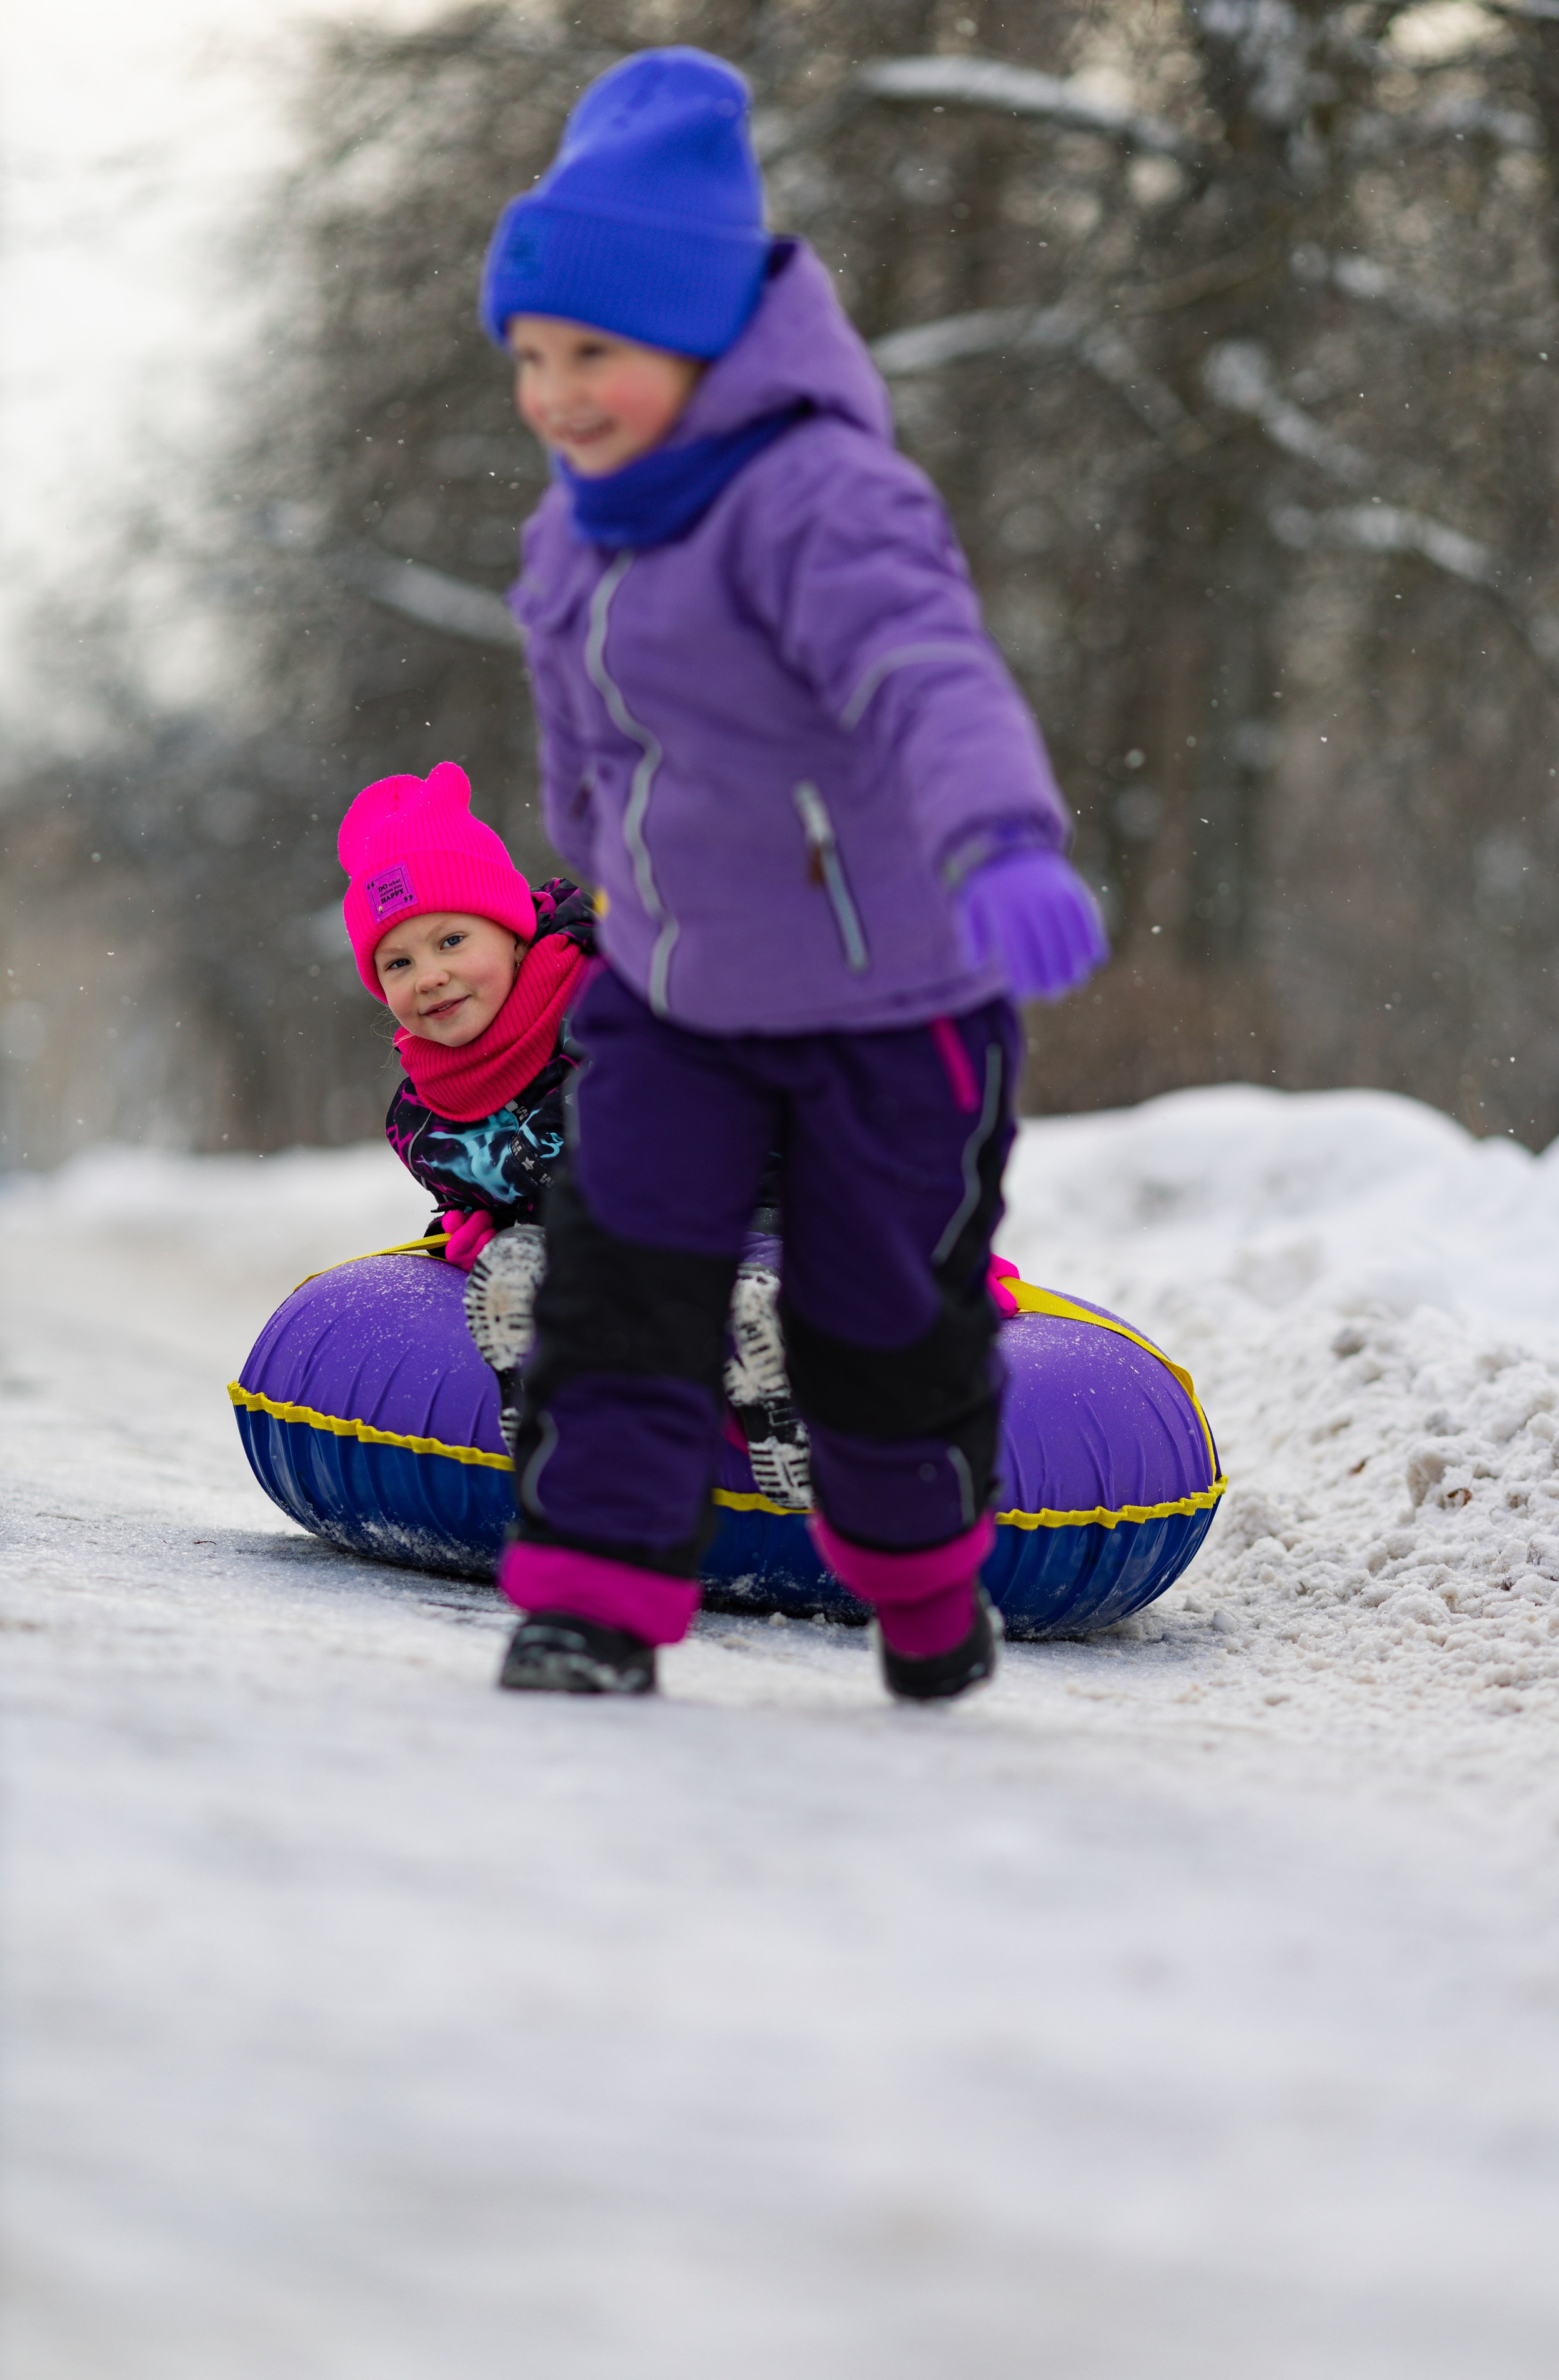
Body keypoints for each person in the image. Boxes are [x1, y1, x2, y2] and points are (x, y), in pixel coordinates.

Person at [477, 46, 1108, 1702]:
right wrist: (599, 888)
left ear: (698, 337)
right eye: (531, 358)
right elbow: (584, 742)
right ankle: (590, 1608)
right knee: (621, 1291)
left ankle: (918, 1582)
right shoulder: (573, 531)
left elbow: (929, 672)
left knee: (875, 1327)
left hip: (892, 1008)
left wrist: (1003, 843)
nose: (555, 397)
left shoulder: (821, 497)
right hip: (676, 1001)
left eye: (593, 353)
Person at [337, 761, 596, 1265]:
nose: (428, 977)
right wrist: (473, 1229)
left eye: (451, 941)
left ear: (515, 935)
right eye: (399, 964)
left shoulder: (600, 1003)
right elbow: (478, 1196)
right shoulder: (425, 1115)